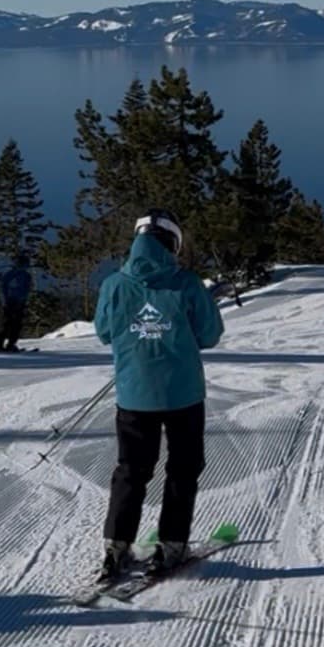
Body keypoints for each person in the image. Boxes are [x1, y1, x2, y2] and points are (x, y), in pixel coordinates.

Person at [94, 208, 224, 583]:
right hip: (183, 395)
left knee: (131, 471)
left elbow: (104, 333)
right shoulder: (186, 283)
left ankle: (116, 546)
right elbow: (210, 334)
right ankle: (171, 545)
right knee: (182, 469)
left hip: (134, 395)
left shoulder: (114, 284)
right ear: (172, 242)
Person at [0, 260, 32, 353]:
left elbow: (3, 289)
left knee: (10, 324)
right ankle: (7, 344)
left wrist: (5, 302)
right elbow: (25, 290)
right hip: (15, 303)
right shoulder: (22, 275)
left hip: (12, 303)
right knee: (13, 324)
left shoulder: (11, 275)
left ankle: (3, 344)